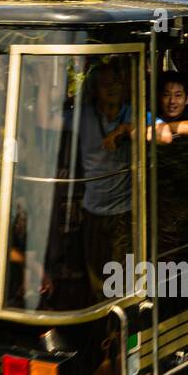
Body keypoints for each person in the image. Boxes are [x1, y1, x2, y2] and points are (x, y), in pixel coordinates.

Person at [77, 62, 134, 304]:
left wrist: (123, 130)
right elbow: (46, 120)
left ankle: (121, 324)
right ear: (94, 90)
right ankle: (103, 328)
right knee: (95, 274)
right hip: (93, 210)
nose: (111, 89)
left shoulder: (133, 111)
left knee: (122, 277)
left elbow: (154, 127)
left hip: (125, 211)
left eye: (116, 83)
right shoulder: (84, 116)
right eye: (104, 85)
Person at [148, 71, 188, 144]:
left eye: (178, 95)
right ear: (159, 97)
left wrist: (160, 128)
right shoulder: (153, 117)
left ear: (187, 99)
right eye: (166, 95)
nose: (172, 101)